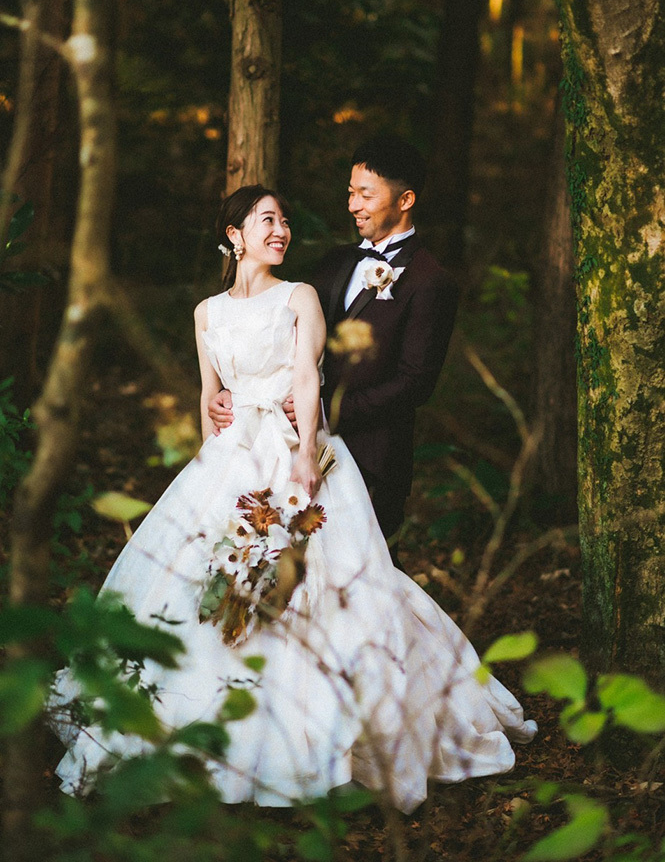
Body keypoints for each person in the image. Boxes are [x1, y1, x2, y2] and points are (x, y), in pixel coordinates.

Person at [49, 184, 535, 813]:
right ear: (235, 236)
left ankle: (331, 731)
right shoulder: (206, 312)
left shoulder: (300, 296)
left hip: (290, 448)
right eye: (267, 221)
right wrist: (209, 454)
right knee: (213, 584)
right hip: (230, 457)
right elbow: (208, 393)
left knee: (331, 585)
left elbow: (308, 375)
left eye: (282, 220)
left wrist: (306, 452)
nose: (280, 230)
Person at [209, 137, 458, 563]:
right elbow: (283, 339)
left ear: (405, 200)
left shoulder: (429, 279)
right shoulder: (333, 263)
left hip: (374, 456)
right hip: (292, 448)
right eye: (350, 192)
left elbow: (415, 383)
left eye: (366, 194)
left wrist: (327, 409)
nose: (353, 205)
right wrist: (236, 393)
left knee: (364, 579)